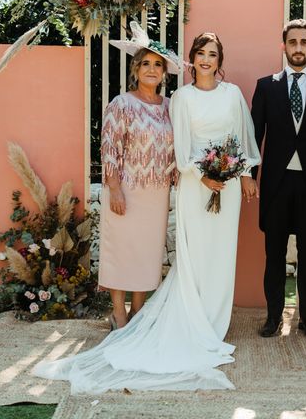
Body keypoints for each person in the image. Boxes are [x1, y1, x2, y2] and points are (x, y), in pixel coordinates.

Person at [32, 31, 260, 393]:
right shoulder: (156, 100)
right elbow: (149, 145)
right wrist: (194, 174)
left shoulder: (202, 98)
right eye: (200, 53)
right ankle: (134, 314)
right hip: (165, 184)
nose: (205, 59)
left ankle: (193, 319)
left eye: (212, 54)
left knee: (187, 253)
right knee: (161, 252)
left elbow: (231, 137)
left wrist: (239, 171)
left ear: (219, 60)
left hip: (194, 187)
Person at [251, 19, 306, 340]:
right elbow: (255, 135)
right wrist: (250, 176)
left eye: (304, 43)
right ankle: (273, 318)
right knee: (273, 255)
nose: (298, 48)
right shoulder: (266, 86)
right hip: (275, 185)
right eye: (293, 42)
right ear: (283, 46)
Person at [99, 22, 179, 331]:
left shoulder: (171, 107)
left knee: (146, 254)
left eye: (157, 65)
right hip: (126, 189)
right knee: (122, 250)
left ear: (164, 74)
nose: (151, 69)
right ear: (136, 69)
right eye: (145, 63)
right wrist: (115, 188)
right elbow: (109, 149)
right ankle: (118, 313)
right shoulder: (122, 104)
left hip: (156, 194)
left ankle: (137, 312)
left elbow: (178, 148)